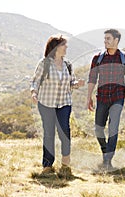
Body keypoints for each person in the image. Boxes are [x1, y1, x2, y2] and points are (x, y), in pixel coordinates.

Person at [30, 34, 85, 174]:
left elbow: (70, 83)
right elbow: (35, 81)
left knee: (64, 133)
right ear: (56, 47)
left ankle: (65, 165)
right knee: (49, 134)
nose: (66, 47)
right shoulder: (45, 63)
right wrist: (34, 93)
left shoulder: (68, 65)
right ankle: (47, 166)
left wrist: (76, 84)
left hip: (64, 103)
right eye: (64, 45)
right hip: (46, 103)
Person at [87, 29, 125, 170]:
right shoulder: (98, 58)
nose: (105, 41)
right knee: (98, 129)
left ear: (116, 40)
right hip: (101, 97)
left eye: (108, 38)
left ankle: (108, 161)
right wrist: (89, 96)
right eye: (104, 39)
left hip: (117, 97)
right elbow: (92, 79)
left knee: (113, 128)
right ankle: (105, 153)